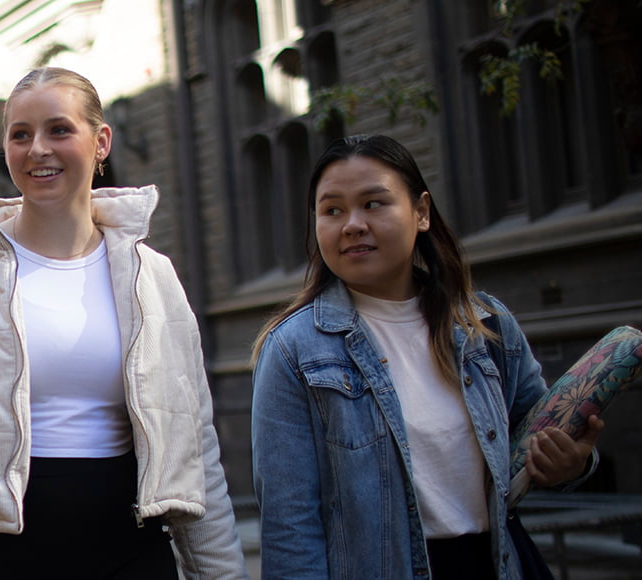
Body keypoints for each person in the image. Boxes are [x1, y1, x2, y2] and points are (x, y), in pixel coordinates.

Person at [0, 67, 247, 579]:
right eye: (20, 135)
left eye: (58, 130)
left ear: (100, 141)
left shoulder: (152, 277)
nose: (37, 148)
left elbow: (193, 440)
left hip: (130, 554)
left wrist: (220, 573)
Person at [250, 134, 604, 578]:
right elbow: (290, 526)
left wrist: (571, 463)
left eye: (374, 204)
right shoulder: (293, 349)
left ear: (421, 212)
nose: (352, 224)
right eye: (332, 210)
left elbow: (543, 441)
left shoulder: (486, 325)